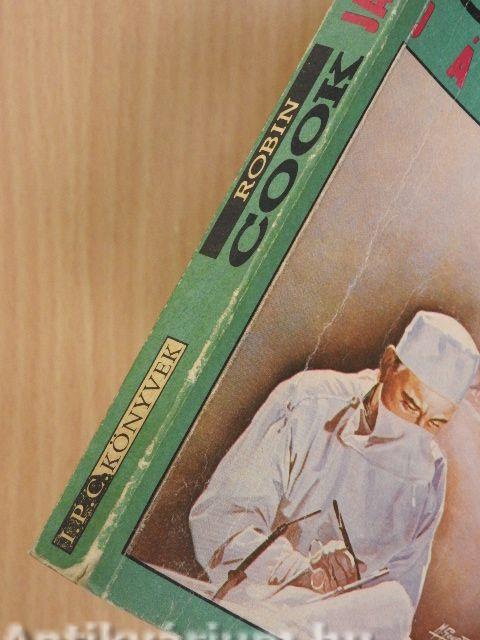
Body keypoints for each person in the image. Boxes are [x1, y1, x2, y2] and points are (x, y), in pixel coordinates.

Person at [189, 311, 480, 638]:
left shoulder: (431, 474)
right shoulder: (308, 401)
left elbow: (398, 598)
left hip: (338, 630)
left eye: (434, 423)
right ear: (387, 365)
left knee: (394, 603)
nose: (414, 430)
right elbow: (219, 521)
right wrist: (300, 571)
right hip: (254, 608)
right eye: (409, 405)